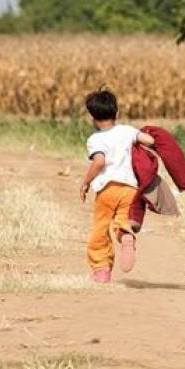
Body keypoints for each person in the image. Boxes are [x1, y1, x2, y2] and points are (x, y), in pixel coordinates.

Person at [79, 89, 155, 283]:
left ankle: (101, 269)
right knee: (123, 220)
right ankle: (126, 236)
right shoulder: (127, 131)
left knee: (101, 228)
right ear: (117, 112)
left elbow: (99, 162)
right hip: (130, 189)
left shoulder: (95, 139)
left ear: (92, 117)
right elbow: (150, 140)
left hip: (107, 189)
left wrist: (85, 181)